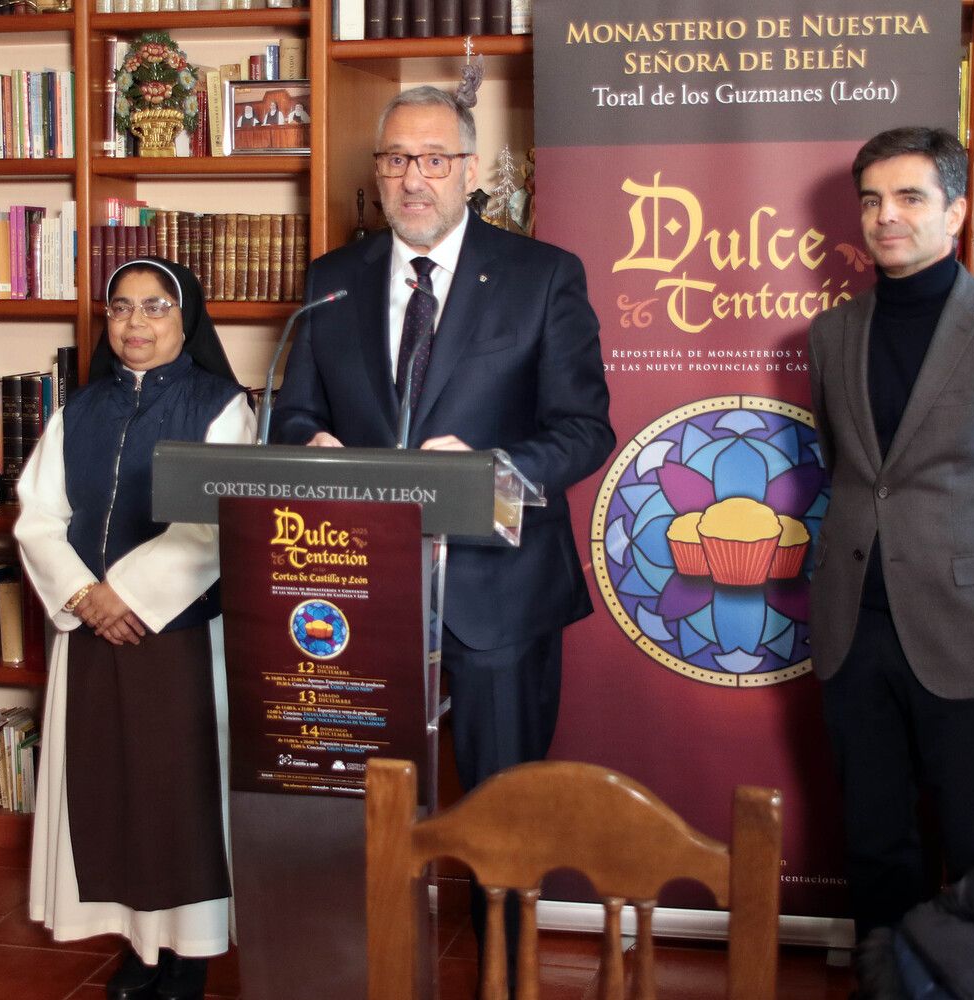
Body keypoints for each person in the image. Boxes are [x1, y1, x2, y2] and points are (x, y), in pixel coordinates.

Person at [269, 85, 613, 985]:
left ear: (468, 170)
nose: (411, 179)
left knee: (502, 815)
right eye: (393, 160)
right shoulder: (329, 282)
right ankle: (369, 968)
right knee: (370, 813)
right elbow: (292, 413)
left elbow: (584, 429)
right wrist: (309, 441)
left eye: (431, 160)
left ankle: (504, 974)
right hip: (360, 596)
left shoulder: (543, 276)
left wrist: (493, 467)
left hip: (499, 594)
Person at [806, 127, 974, 945]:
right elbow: (850, 466)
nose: (886, 216)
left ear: (956, 211)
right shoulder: (831, 335)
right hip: (855, 629)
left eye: (909, 197)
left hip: (964, 631)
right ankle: (886, 979)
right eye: (872, 200)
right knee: (875, 839)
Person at [15, 259, 255, 1000]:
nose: (136, 323)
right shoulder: (75, 412)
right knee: (108, 793)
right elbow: (38, 518)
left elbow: (219, 520)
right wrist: (86, 596)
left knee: (175, 796)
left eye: (154, 307)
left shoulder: (223, 406)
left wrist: (128, 596)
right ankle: (135, 947)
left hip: (179, 639)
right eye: (121, 308)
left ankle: (186, 955)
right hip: (89, 638)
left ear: (186, 319)